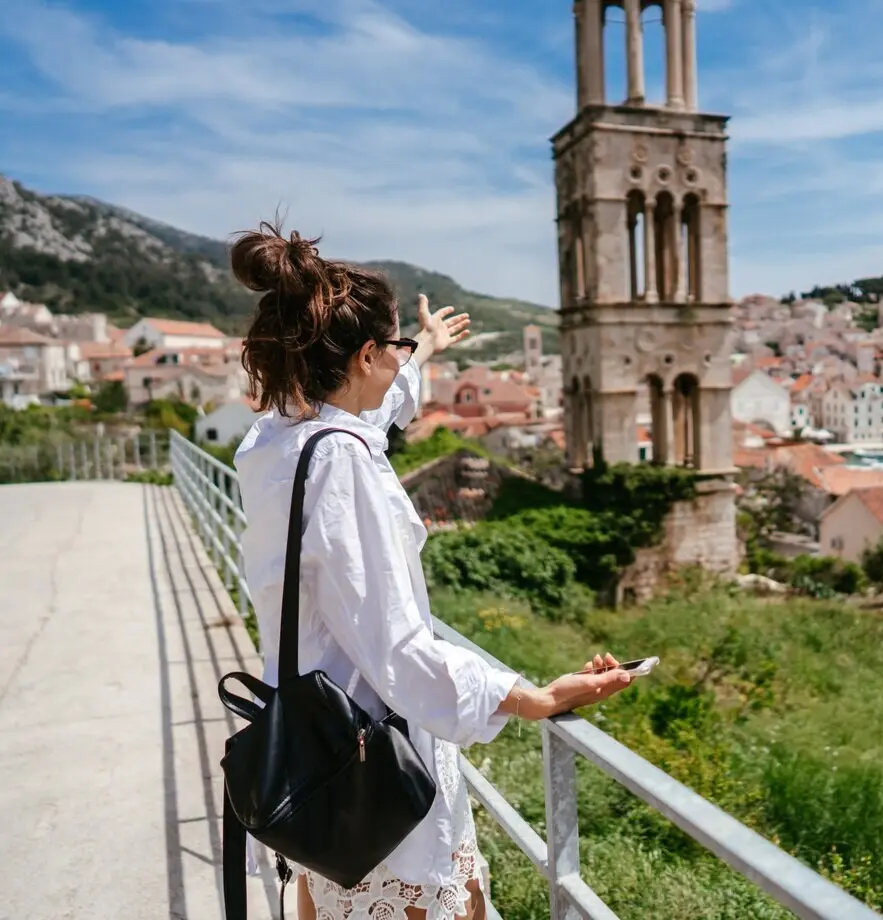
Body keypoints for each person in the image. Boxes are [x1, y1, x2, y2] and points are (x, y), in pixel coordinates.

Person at [231, 222, 633, 920]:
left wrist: (426, 353)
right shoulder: (342, 463)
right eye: (396, 346)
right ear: (363, 355)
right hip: (372, 753)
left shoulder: (274, 440)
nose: (401, 358)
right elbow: (396, 649)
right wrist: (528, 695)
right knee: (440, 898)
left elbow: (368, 409)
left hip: (310, 748)